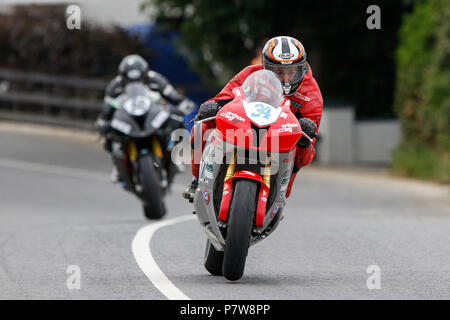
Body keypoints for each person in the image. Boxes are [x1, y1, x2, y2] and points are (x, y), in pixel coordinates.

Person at [182, 36, 323, 200]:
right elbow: (223, 97)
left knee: (302, 149)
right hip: (247, 128)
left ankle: (278, 196)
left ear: (301, 69)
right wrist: (212, 105)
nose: (285, 79)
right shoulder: (250, 73)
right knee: (202, 127)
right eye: (278, 72)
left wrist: (306, 138)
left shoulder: (312, 95)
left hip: (281, 140)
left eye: (291, 72)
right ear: (266, 67)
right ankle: (197, 180)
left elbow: (307, 155)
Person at [96, 54, 195, 182]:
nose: (134, 81)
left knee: (177, 121)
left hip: (152, 116)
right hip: (128, 119)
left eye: (139, 77)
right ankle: (117, 164)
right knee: (109, 135)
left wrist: (182, 106)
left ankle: (175, 155)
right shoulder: (114, 86)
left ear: (145, 74)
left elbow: (174, 98)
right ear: (122, 76)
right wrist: (103, 122)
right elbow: (106, 111)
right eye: (129, 78)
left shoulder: (156, 79)